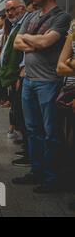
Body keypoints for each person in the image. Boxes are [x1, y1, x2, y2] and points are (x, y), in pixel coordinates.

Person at [13, 0, 72, 193]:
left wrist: (32, 41)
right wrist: (35, 42)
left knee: (50, 132)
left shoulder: (61, 17)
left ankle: (51, 176)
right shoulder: (30, 17)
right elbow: (17, 44)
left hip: (48, 82)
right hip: (28, 80)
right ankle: (36, 171)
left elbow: (48, 42)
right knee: (32, 129)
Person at [0, 0, 32, 167]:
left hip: (22, 76)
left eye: (12, 9)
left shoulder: (25, 24)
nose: (9, 13)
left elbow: (24, 50)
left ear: (22, 9)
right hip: (15, 77)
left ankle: (30, 153)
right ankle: (28, 149)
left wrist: (21, 74)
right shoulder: (16, 25)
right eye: (7, 11)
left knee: (24, 117)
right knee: (20, 114)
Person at [56, 19, 75, 211]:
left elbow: (65, 62)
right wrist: (69, 62)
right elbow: (60, 67)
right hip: (68, 90)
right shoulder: (73, 26)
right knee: (70, 141)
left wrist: (69, 61)